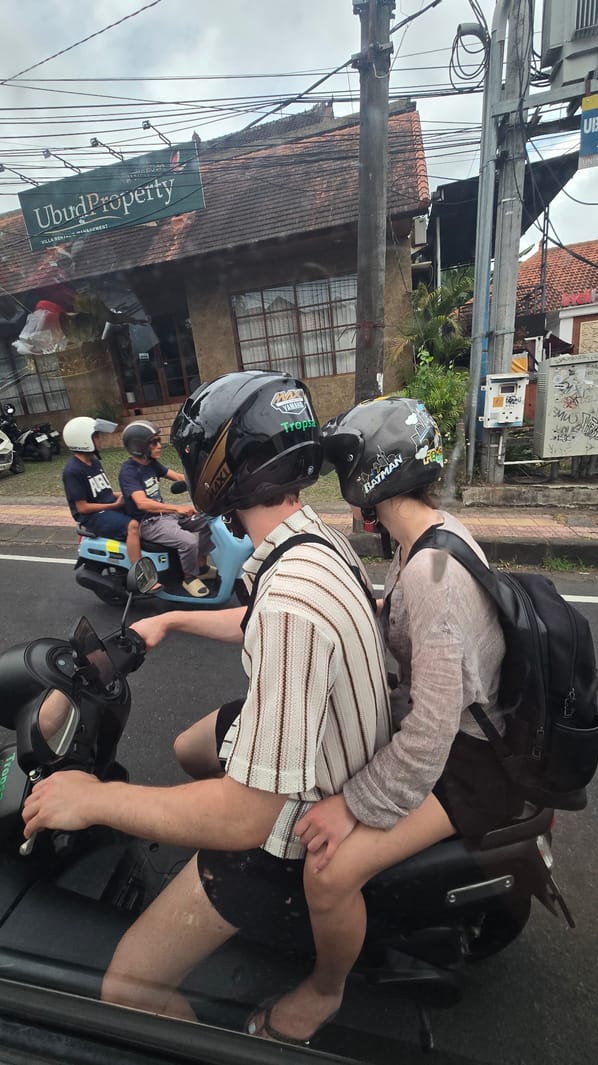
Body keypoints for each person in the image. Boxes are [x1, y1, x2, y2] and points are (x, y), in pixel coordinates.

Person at [22, 370, 392, 1027]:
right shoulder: (313, 541)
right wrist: (172, 619)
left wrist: (92, 797)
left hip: (299, 814)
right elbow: (257, 618)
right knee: (190, 744)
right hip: (335, 742)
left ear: (223, 466)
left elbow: (252, 814)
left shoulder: (291, 601)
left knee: (125, 987)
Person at [245, 395, 521, 1045]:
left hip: (471, 763)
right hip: (457, 736)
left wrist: (354, 806)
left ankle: (322, 991)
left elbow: (428, 732)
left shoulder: (431, 572)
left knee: (329, 868)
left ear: (367, 476)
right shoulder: (430, 535)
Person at [118, 420, 217, 598]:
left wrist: (201, 480)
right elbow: (142, 503)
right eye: (154, 442)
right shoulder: (129, 471)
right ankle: (189, 577)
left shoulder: (151, 464)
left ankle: (200, 566)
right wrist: (177, 508)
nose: (159, 446)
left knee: (209, 521)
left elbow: (178, 477)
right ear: (139, 447)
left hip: (167, 516)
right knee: (188, 541)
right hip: (149, 522)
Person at [62, 416, 142, 565]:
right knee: (132, 525)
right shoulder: (72, 471)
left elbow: (105, 493)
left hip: (106, 508)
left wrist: (132, 493)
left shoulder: (94, 461)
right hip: (91, 516)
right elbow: (82, 507)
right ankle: (139, 571)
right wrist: (113, 505)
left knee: (142, 510)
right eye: (96, 436)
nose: (100, 440)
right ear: (83, 440)